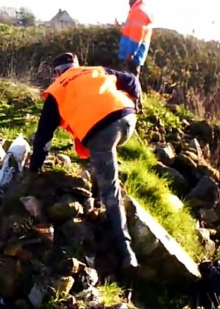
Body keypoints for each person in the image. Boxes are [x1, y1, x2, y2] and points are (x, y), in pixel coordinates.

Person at [28, 52, 142, 271]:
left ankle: (127, 252)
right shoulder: (94, 70)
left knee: (112, 191)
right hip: (127, 118)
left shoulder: (57, 89)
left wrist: (35, 169)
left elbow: (44, 136)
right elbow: (132, 80)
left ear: (56, 73)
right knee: (104, 159)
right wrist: (134, 104)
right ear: (76, 65)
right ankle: (97, 201)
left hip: (102, 132)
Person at [118, 0, 153, 78]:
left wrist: (131, 53)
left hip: (132, 56)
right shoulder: (139, 9)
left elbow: (137, 34)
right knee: (130, 82)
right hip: (133, 54)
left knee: (130, 83)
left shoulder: (139, 11)